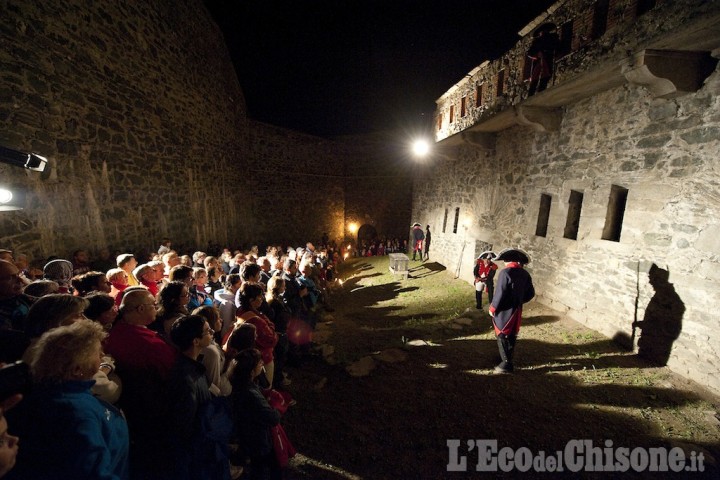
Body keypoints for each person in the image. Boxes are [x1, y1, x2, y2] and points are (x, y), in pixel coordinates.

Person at [8, 320, 130, 479]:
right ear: (77, 369)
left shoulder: (56, 391)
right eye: (97, 352)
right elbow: (93, 472)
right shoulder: (76, 414)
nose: (101, 355)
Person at [230, 348, 281, 480]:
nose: (262, 364)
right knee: (260, 469)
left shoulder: (239, 384)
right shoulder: (251, 393)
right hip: (257, 439)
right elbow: (272, 418)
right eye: (259, 363)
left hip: (246, 435)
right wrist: (276, 408)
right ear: (251, 372)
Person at [489, 248, 535, 374]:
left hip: (504, 309)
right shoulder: (525, 274)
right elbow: (531, 293)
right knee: (512, 333)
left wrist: (493, 308)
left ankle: (506, 364)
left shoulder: (505, 272)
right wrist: (519, 301)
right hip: (517, 309)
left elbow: (500, 293)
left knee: (502, 333)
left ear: (508, 261)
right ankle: (508, 358)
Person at [527, 23, 560, 96]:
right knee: (534, 80)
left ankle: (540, 94)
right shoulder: (536, 41)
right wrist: (537, 55)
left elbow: (557, 47)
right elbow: (530, 53)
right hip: (538, 62)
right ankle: (530, 96)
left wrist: (555, 53)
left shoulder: (552, 38)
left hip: (547, 59)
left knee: (545, 77)